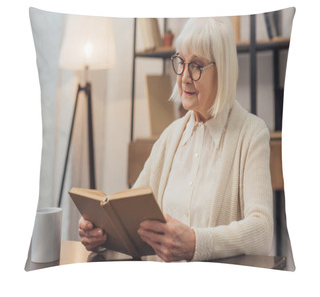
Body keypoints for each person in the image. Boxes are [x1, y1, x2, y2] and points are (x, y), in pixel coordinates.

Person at [79, 17, 273, 262]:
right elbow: (128, 217)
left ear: (222, 70)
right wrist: (101, 236)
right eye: (181, 62)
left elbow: (262, 230)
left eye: (197, 66)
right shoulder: (170, 137)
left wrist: (196, 243)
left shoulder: (252, 134)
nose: (184, 78)